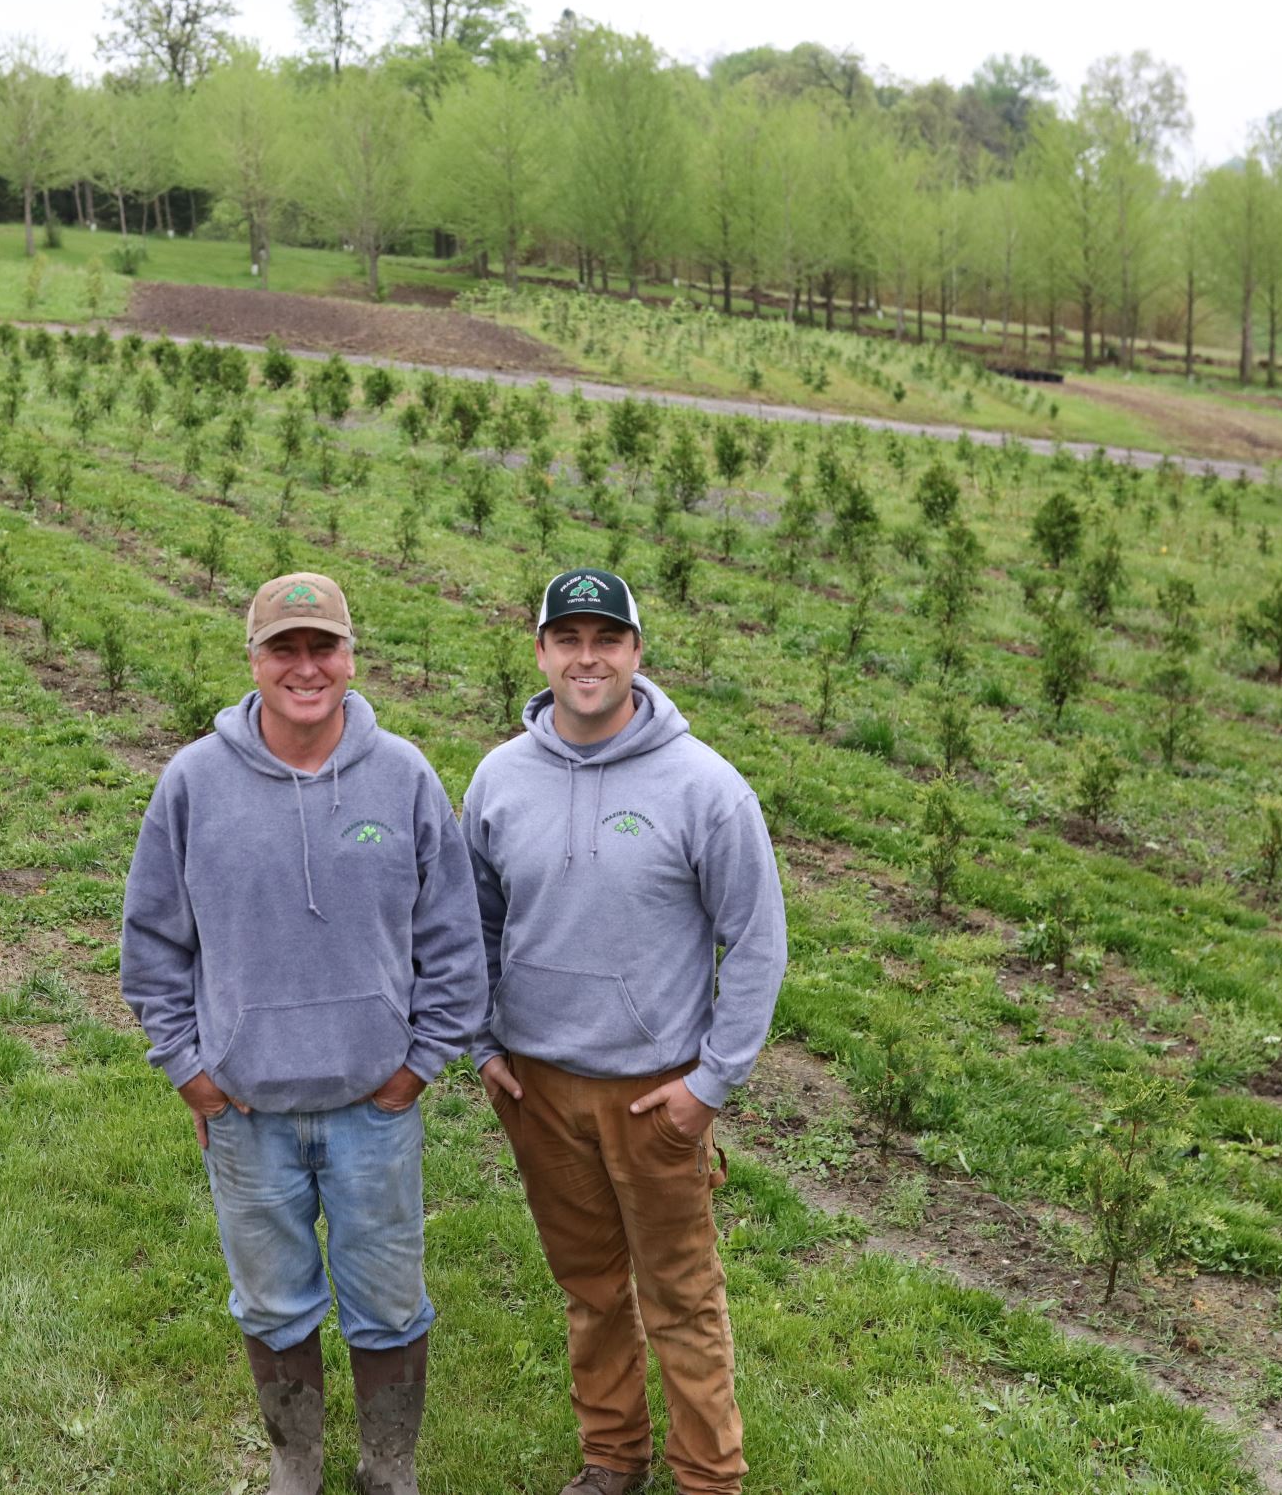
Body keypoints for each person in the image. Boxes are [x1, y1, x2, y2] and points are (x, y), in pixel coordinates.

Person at [121, 571, 487, 1495]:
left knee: (389, 1302)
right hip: (246, 1113)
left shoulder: (402, 775)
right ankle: (296, 1462)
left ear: (351, 656)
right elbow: (153, 942)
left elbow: (451, 934)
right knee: (274, 1301)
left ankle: (388, 1468)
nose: (306, 666)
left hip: (375, 1108)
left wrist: (418, 1065)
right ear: (254, 660)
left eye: (323, 646)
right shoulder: (193, 784)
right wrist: (190, 1071)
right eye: (285, 648)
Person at [463, 568, 789, 1495]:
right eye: (567, 638)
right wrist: (483, 1045)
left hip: (656, 1096)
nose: (587, 655)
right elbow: (470, 925)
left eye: (606, 637)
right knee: (591, 1289)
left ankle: (708, 1477)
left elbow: (757, 943)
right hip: (537, 1086)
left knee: (681, 1296)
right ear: (541, 651)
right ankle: (611, 1457)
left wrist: (711, 1083)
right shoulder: (498, 778)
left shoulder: (705, 786)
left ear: (638, 651)